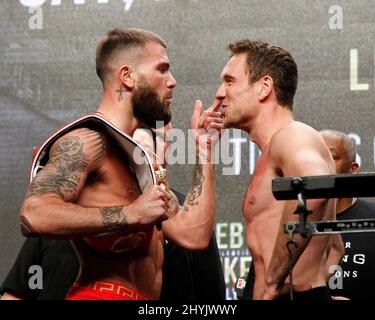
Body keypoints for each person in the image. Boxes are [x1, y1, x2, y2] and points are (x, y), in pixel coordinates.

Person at [18, 27, 223, 300]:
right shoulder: (86, 142)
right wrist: (131, 213)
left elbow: (192, 236)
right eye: (162, 69)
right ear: (127, 77)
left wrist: (204, 150)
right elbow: (33, 215)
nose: (172, 81)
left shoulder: (142, 160)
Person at [210, 39, 336, 300]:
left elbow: (316, 186)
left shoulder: (292, 135)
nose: (220, 93)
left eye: (230, 81)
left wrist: (271, 282)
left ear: (264, 87)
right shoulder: (274, 149)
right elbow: (336, 244)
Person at [321, 129, 375, 299]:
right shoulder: (294, 223)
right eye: (315, 158)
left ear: (353, 169)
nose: (321, 165)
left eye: (332, 157)